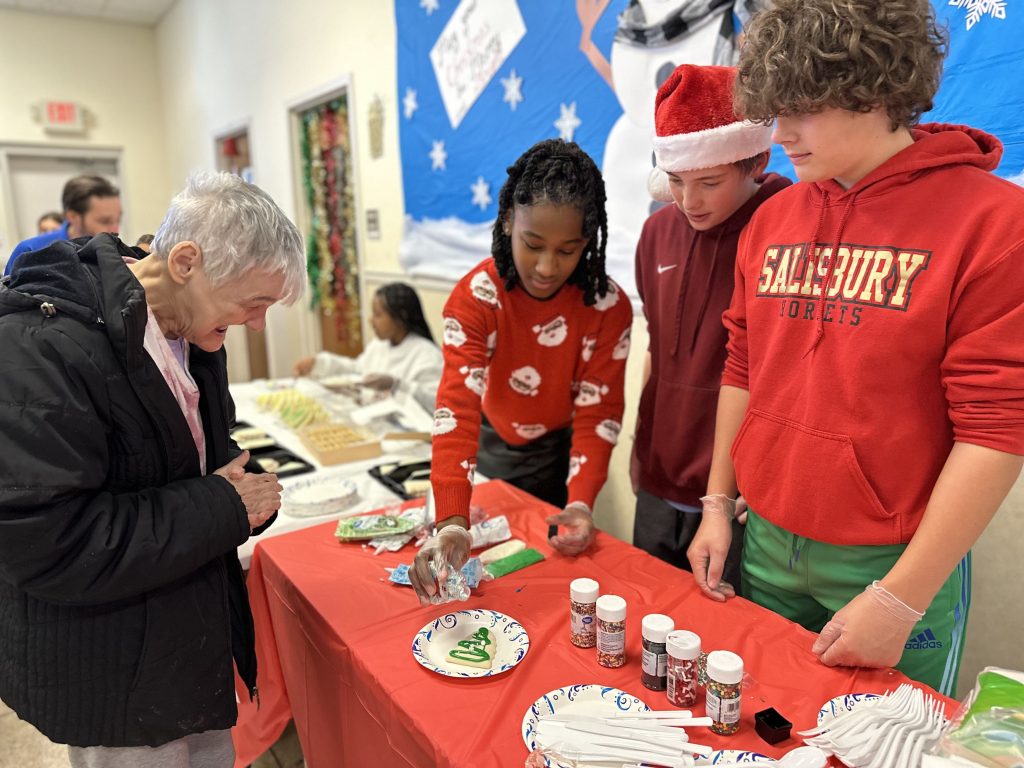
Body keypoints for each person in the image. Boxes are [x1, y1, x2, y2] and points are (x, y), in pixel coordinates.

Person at [686, 0, 1024, 696]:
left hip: (890, 556)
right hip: (767, 540)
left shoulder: (993, 223)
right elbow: (744, 366)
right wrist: (718, 504)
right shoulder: (772, 218)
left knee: (885, 741)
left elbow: (996, 429)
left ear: (871, 89)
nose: (781, 134)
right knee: (767, 720)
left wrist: (903, 596)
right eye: (774, 109)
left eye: (801, 108)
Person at [0, 171, 306, 766]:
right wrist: (222, 505)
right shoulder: (40, 345)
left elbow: (182, 450)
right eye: (254, 303)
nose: (258, 324)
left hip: (182, 643)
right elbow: (48, 542)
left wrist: (237, 482)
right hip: (111, 669)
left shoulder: (188, 327)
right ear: (187, 262)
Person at [409, 138, 633, 604]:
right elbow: (457, 410)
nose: (548, 267)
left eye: (569, 250)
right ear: (509, 218)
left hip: (559, 452)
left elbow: (600, 412)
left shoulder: (606, 306)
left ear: (588, 242)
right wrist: (452, 519)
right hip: (487, 449)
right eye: (533, 244)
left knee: (545, 583)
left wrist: (580, 501)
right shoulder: (476, 297)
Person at [632, 64, 790, 582]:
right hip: (660, 473)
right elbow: (656, 352)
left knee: (725, 648)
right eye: (676, 182)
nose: (690, 202)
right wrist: (641, 447)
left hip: (739, 491)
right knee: (647, 621)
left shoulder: (783, 227)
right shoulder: (657, 233)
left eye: (709, 183)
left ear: (755, 161)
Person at [293, 282, 443, 411]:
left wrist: (397, 385)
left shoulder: (427, 354)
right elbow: (357, 370)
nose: (371, 320)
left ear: (400, 318)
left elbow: (436, 403)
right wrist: (319, 362)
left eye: (378, 315)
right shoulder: (380, 345)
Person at [5, 175, 121, 275]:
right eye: (104, 221)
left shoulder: (116, 252)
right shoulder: (31, 251)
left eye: (118, 220)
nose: (115, 230)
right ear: (73, 217)